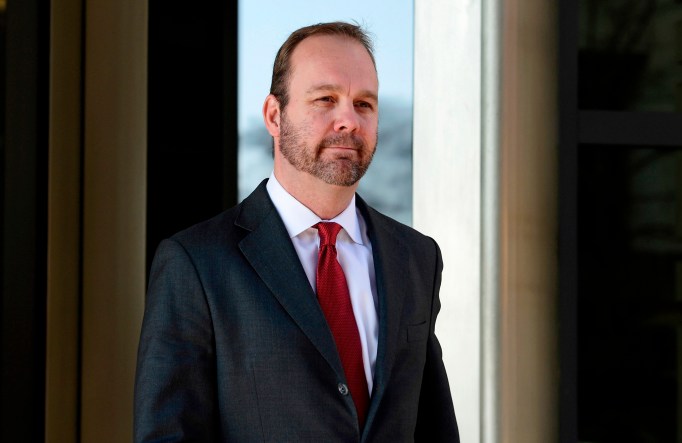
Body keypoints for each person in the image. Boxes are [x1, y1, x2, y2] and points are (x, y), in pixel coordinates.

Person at [134, 22, 459, 442]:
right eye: (326, 99)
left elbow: (434, 426)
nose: (349, 121)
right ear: (274, 115)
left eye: (364, 104)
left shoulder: (416, 258)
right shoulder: (196, 263)